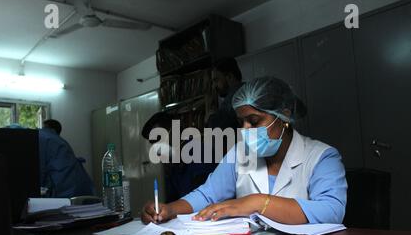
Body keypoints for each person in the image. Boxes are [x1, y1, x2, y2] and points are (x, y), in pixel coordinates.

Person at [142, 76, 347, 225]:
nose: (245, 129)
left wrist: (257, 202)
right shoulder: (240, 153)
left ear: (284, 116)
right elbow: (207, 195)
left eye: (254, 121)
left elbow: (332, 211)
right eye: (242, 121)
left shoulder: (322, 157)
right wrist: (170, 209)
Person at [39, 120, 95, 198]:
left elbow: (41, 170)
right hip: (80, 188)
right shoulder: (60, 141)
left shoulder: (43, 137)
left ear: (46, 127)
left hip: (63, 190)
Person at [206, 57, 243, 131]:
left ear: (229, 77)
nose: (214, 86)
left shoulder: (232, 100)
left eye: (216, 80)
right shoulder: (249, 90)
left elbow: (215, 133)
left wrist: (210, 116)